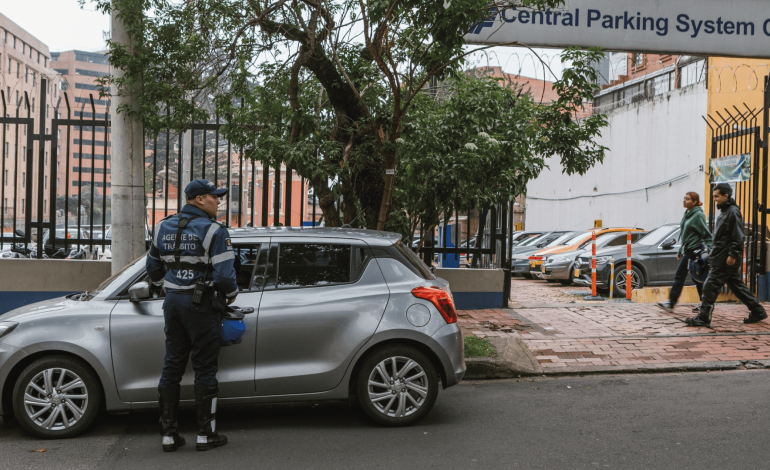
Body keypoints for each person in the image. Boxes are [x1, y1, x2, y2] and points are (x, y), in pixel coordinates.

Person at [146, 179, 239, 452]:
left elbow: (153, 268)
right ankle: (205, 435)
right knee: (205, 368)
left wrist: (169, 286)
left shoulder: (162, 226)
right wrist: (232, 294)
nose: (218, 201)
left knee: (172, 365)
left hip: (173, 303)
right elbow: (225, 276)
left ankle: (168, 436)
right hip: (201, 305)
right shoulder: (214, 230)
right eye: (214, 196)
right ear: (200, 199)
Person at [685, 183, 767, 327]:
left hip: (725, 258)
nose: (714, 199)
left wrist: (732, 255)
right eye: (713, 196)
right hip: (720, 256)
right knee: (737, 287)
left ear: (726, 196)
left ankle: (704, 317)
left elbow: (738, 236)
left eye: (717, 196)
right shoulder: (724, 211)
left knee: (709, 286)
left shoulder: (733, 212)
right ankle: (758, 311)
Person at [657, 192, 712, 313]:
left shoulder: (698, 215)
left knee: (680, 275)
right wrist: (681, 250)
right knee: (697, 278)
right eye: (684, 198)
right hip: (689, 249)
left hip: (695, 250)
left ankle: (671, 302)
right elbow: (686, 235)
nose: (684, 200)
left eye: (687, 199)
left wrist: (712, 250)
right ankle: (705, 304)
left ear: (694, 202)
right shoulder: (687, 213)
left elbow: (706, 234)